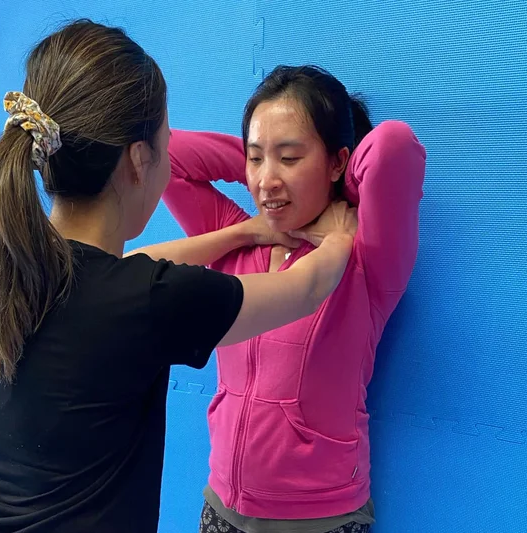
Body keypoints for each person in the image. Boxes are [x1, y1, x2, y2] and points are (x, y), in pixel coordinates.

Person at [0, 22, 359, 533]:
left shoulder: (2, 267)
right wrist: (340, 234)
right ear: (140, 160)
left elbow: (128, 270)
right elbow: (305, 289)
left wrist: (243, 233)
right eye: (164, 144)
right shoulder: (148, 301)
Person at [158, 66, 427, 533]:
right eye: (256, 159)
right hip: (220, 507)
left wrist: (340, 197)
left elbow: (393, 146)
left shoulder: (366, 259)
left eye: (289, 157)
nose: (266, 180)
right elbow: (168, 157)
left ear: (339, 161)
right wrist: (266, 178)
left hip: (321, 518)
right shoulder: (234, 243)